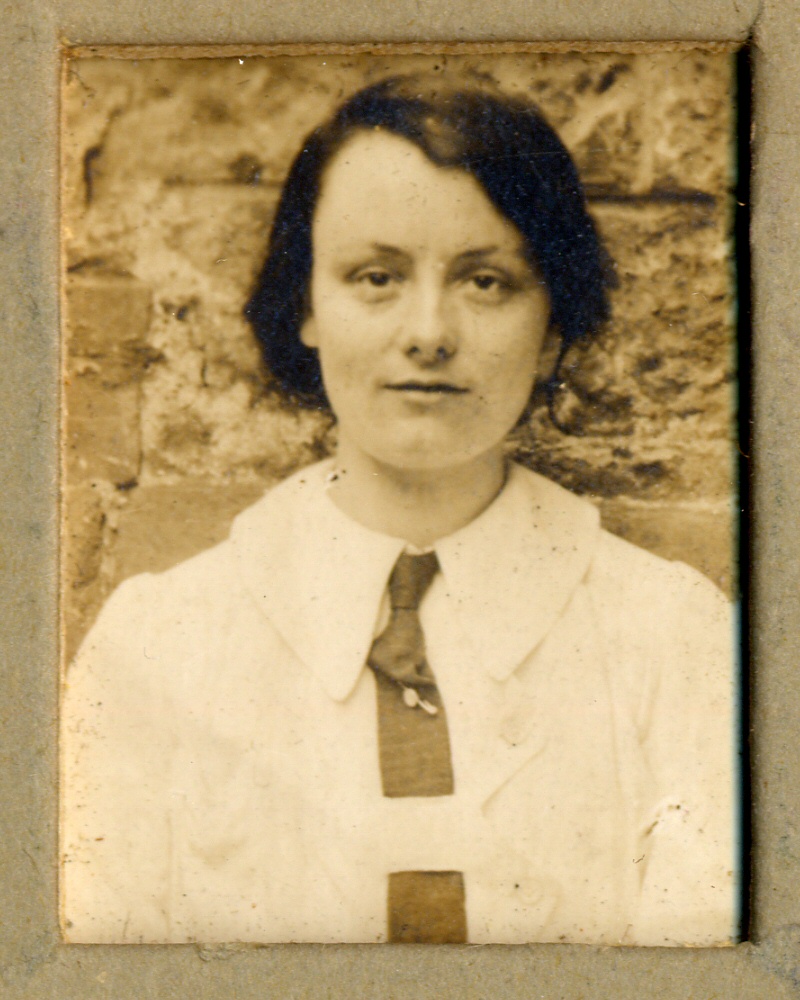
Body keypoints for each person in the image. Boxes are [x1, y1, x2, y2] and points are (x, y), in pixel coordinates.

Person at [61, 75, 738, 947]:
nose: (428, 332)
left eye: (486, 281)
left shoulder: (676, 642)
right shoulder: (157, 649)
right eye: (375, 277)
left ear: (553, 328)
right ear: (306, 306)